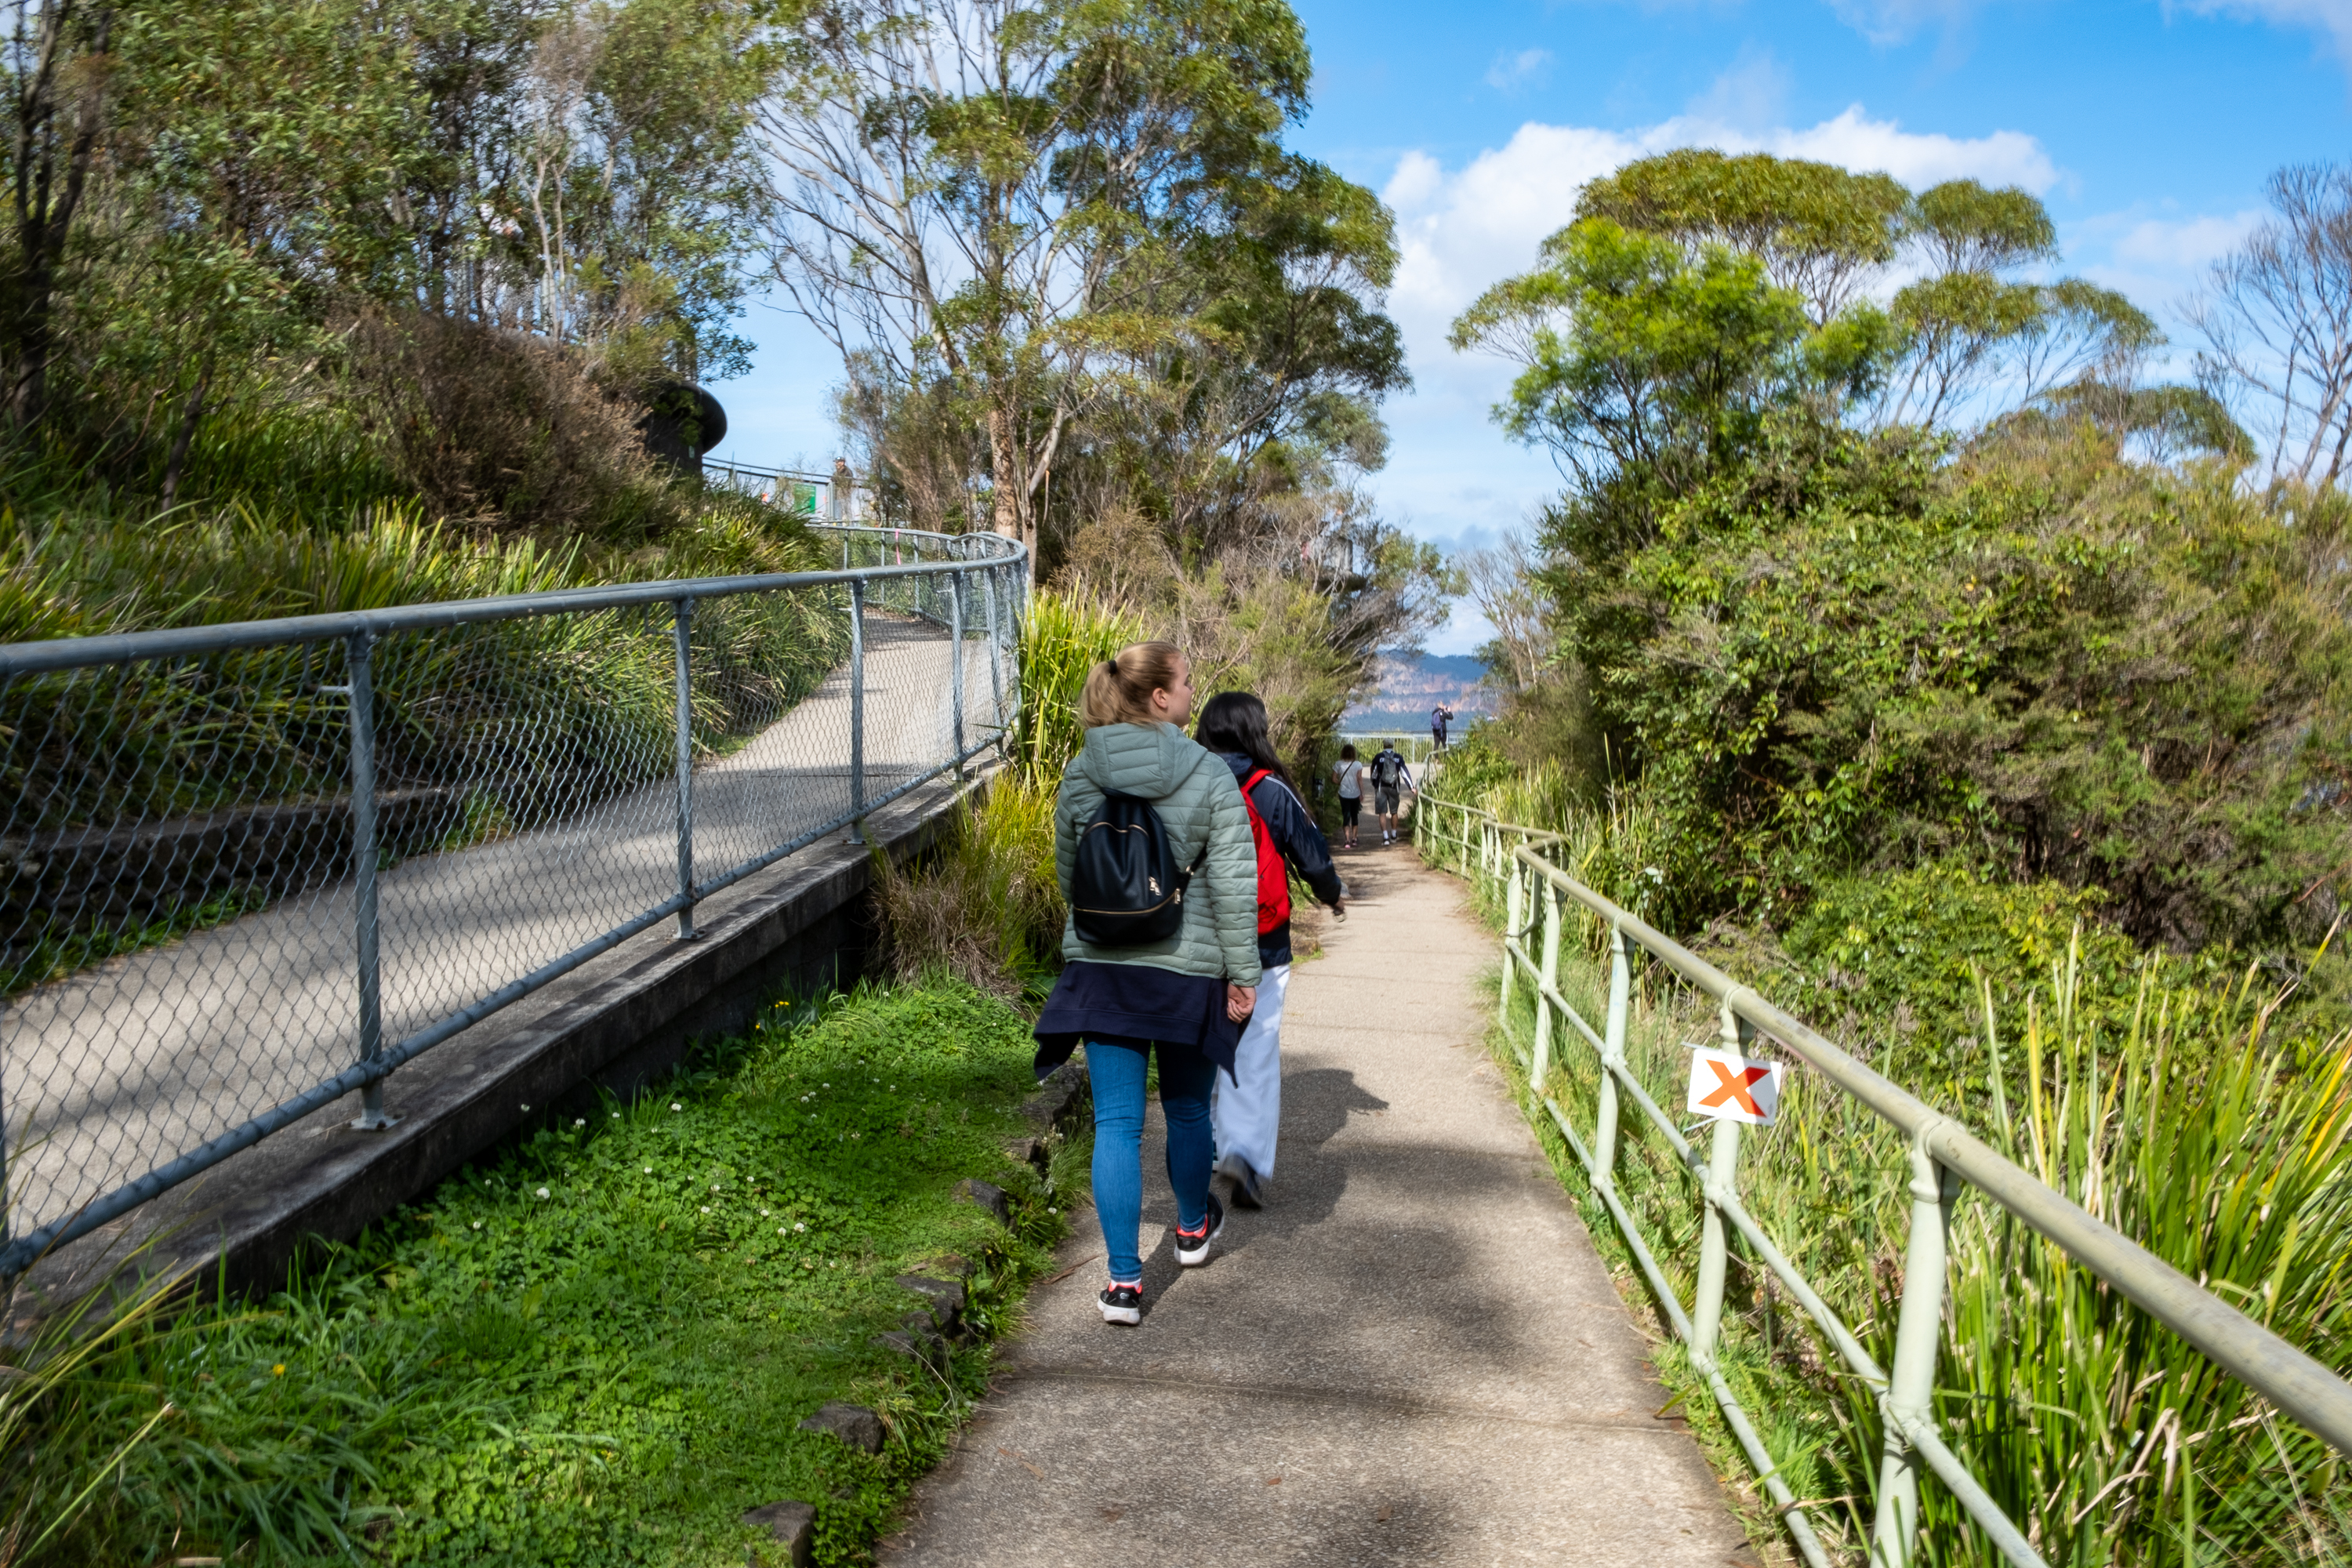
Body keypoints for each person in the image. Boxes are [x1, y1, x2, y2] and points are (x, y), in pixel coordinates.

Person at [1031, 641, 1263, 1327]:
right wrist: (1242, 976)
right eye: (1187, 680)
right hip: (1187, 972)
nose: (1194, 689)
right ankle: (1193, 1229)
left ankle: (1124, 1285)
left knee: (1117, 1125)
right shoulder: (1209, 774)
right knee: (1190, 1110)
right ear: (1159, 696)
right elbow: (1231, 885)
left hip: (1103, 970)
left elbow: (1070, 872)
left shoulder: (1081, 771)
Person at [1194, 693, 1345, 1210]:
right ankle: (1245, 1156)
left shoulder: (1186, 780)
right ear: (1252, 732)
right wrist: (1332, 895)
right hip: (1262, 943)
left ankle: (1212, 1145)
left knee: (1205, 1046)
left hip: (1197, 938)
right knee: (1254, 1049)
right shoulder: (1269, 788)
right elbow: (1312, 854)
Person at [1370, 739, 1414, 846]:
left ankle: (1385, 837)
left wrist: (1375, 785)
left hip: (1381, 788)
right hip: (1394, 788)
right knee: (1394, 812)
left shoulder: (1378, 757)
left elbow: (1373, 774)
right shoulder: (1398, 758)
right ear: (1392, 746)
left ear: (1384, 745)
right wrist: (1411, 787)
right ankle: (1394, 835)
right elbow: (1404, 773)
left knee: (1382, 812)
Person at [1330, 742, 1366, 851]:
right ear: (1353, 753)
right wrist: (1362, 792)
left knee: (1346, 816)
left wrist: (1340, 783)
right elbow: (1359, 778)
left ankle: (1347, 840)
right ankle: (1354, 839)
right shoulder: (1358, 764)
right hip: (1355, 794)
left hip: (1343, 794)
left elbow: (1334, 779)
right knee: (1354, 816)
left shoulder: (1338, 764)